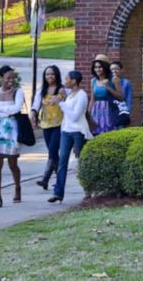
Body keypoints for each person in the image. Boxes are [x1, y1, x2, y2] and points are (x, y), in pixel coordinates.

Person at [0, 65, 25, 209]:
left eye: (13, 78)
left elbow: (17, 108)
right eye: (8, 78)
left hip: (12, 132)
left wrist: (0, 110)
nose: (11, 81)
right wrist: (4, 113)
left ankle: (17, 187)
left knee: (13, 164)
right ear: (1, 78)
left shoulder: (18, 92)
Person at [50, 70, 92, 203]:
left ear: (74, 81)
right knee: (62, 162)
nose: (65, 81)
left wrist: (60, 103)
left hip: (78, 131)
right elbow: (62, 94)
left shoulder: (82, 96)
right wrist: (60, 99)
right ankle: (58, 193)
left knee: (81, 161)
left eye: (67, 79)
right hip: (66, 131)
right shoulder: (69, 95)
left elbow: (74, 116)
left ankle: (88, 189)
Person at [30, 65, 63, 190]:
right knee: (53, 154)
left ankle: (45, 179)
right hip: (46, 125)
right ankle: (59, 181)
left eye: (52, 74)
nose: (50, 76)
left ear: (57, 75)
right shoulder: (41, 91)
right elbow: (36, 105)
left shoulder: (62, 90)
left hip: (59, 125)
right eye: (47, 74)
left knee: (53, 152)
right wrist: (33, 113)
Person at [90, 56, 123, 135]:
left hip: (109, 111)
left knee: (108, 134)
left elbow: (121, 97)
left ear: (105, 67)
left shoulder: (114, 79)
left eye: (100, 67)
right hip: (96, 112)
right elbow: (92, 99)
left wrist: (108, 87)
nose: (97, 69)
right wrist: (88, 115)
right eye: (96, 67)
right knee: (95, 135)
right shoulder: (93, 81)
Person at [110, 60, 133, 128]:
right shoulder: (107, 82)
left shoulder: (126, 83)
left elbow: (129, 99)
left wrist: (128, 112)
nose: (114, 71)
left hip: (122, 111)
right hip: (110, 111)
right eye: (112, 69)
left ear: (121, 70)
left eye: (116, 69)